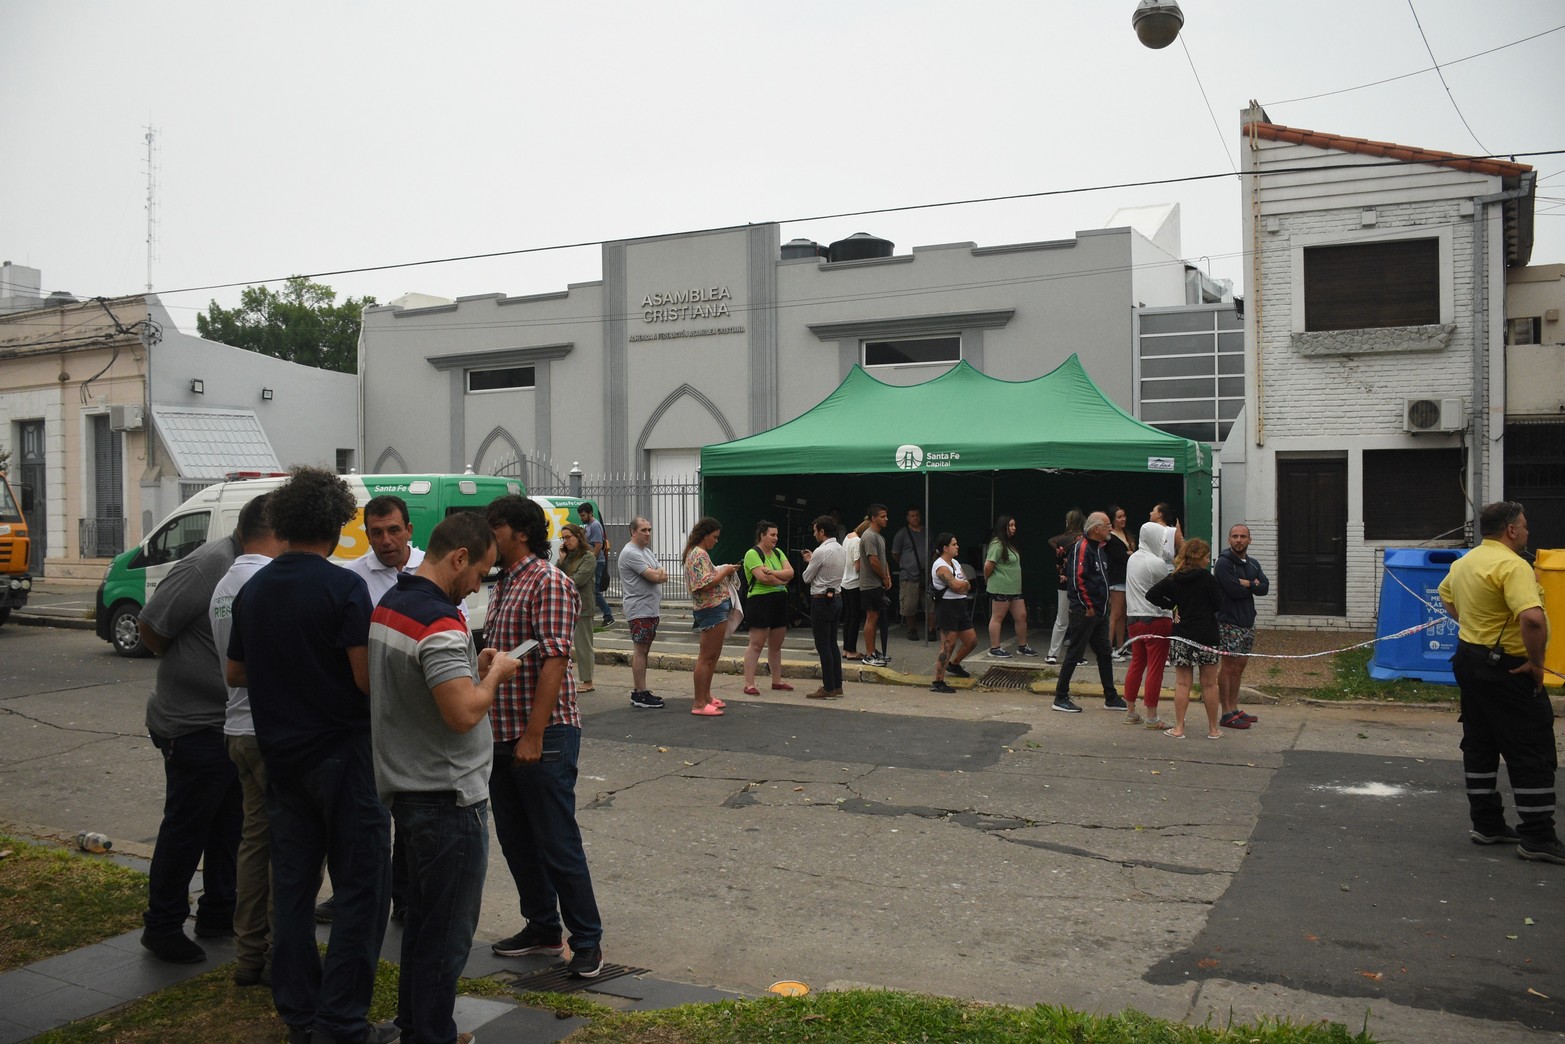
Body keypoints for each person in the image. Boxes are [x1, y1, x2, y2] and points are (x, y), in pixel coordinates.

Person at [225, 467, 394, 1044]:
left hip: (281, 755)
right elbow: (364, 681)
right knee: (361, 891)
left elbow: (235, 671)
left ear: (286, 522)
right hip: (344, 755)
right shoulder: (344, 587)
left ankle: (299, 1011)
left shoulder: (255, 588)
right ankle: (343, 1019)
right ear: (337, 523)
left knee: (292, 890)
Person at [369, 512, 519, 1044]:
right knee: (447, 936)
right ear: (459, 558)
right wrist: (495, 674)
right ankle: (429, 1033)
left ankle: (415, 1023)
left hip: (409, 790)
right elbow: (461, 714)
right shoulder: (439, 620)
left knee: (424, 927)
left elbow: (415, 690)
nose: (480, 582)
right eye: (481, 570)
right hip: (448, 797)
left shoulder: (391, 603)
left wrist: (469, 668)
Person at [484, 495, 607, 976]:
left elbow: (555, 660)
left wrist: (533, 736)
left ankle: (587, 941)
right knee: (517, 838)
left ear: (518, 532)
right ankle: (541, 926)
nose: (486, 537)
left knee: (556, 840)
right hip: (502, 731)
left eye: (493, 528)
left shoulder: (547, 582)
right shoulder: (505, 584)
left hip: (543, 734)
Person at [137, 495, 247, 965]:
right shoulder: (209, 564)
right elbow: (152, 626)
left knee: (229, 825)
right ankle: (162, 925)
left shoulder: (247, 564)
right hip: (192, 724)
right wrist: (195, 667)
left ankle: (218, 911)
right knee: (186, 827)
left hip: (228, 723)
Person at [1438, 500, 1564, 863]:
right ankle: (1538, 836)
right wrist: (1537, 665)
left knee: (1480, 740)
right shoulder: (1513, 566)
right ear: (1511, 530)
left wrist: (1477, 626)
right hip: (1508, 667)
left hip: (1470, 658)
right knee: (1531, 746)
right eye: (1523, 526)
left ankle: (1487, 823)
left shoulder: (1466, 562)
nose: (1526, 531)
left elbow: (1447, 597)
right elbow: (1533, 620)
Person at [209, 493, 285, 985]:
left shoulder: (225, 582)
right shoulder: (264, 582)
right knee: (288, 844)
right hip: (266, 728)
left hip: (237, 727)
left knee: (255, 843)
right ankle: (281, 951)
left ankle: (248, 953)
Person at [1147, 538, 1224, 741]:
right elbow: (1218, 605)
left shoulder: (1175, 578)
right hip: (1207, 635)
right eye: (1207, 556)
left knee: (1182, 683)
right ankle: (1213, 729)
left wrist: (1173, 605)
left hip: (1182, 635)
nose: (1208, 561)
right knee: (1209, 683)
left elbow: (1152, 594)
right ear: (1199, 557)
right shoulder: (1208, 579)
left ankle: (1179, 727)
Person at [1052, 512, 1124, 714]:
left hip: (1099, 612)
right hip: (1085, 611)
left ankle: (1111, 697)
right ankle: (1060, 696)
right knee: (1075, 653)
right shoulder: (1082, 548)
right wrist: (1088, 606)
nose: (1110, 529)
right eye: (1107, 525)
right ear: (1096, 529)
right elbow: (1077, 579)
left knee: (1105, 654)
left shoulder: (1100, 550)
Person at [1214, 523, 1270, 731]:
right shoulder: (1223, 563)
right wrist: (1251, 585)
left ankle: (1235, 707)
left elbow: (1264, 588)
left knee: (1240, 666)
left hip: (1247, 621)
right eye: (1235, 536)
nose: (1239, 540)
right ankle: (1226, 712)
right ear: (1229, 540)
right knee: (1228, 666)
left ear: (1249, 540)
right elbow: (1234, 591)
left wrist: (1249, 584)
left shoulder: (1253, 564)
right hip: (1229, 621)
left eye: (1243, 536)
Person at [683, 516, 738, 715]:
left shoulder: (698, 553)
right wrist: (724, 572)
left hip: (714, 607)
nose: (716, 541)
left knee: (712, 656)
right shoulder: (698, 554)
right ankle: (699, 702)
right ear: (705, 535)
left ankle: (705, 696)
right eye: (714, 537)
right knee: (707, 657)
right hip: (711, 608)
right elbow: (703, 583)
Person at [1123, 520, 1175, 730]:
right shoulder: (1157, 563)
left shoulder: (1133, 559)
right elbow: (1170, 588)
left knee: (1136, 664)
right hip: (1156, 618)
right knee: (1155, 668)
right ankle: (1151, 716)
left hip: (1133, 618)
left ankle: (1130, 711)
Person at [617, 516, 668, 709]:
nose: (647, 534)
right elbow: (655, 575)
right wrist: (658, 574)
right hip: (639, 609)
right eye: (643, 530)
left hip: (649, 609)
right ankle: (639, 693)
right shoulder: (631, 553)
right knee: (640, 650)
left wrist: (659, 573)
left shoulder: (645, 551)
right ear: (633, 532)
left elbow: (662, 572)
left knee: (644, 649)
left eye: (649, 530)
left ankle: (642, 690)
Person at [741, 520, 795, 694]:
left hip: (779, 599)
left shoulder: (778, 553)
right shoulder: (752, 554)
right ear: (762, 535)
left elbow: (791, 573)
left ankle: (776, 680)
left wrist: (773, 573)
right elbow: (762, 578)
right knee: (756, 643)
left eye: (777, 535)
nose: (776, 538)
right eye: (772, 535)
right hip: (760, 601)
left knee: (776, 644)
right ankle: (749, 683)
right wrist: (782, 579)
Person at [344, 494, 424, 606]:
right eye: (377, 533)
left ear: (409, 530)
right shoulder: (351, 576)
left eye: (394, 530)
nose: (386, 541)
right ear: (368, 536)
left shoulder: (434, 567)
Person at [800, 515, 846, 700]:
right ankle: (837, 685)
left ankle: (828, 687)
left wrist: (810, 561)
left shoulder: (821, 551)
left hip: (821, 599)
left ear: (822, 531)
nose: (814, 533)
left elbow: (806, 577)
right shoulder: (840, 549)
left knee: (823, 645)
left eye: (815, 530)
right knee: (832, 643)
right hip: (836, 596)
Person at [929, 533, 977, 693]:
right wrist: (961, 585)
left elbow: (967, 584)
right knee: (948, 644)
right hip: (947, 606)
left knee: (971, 641)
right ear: (945, 548)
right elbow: (956, 585)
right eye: (954, 544)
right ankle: (938, 681)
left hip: (960, 605)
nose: (957, 547)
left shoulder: (955, 563)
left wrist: (962, 585)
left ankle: (954, 664)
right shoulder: (940, 565)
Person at [983, 514, 1035, 658]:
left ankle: (1023, 646)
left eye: (1014, 525)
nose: (1014, 528)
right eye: (1010, 525)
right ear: (1003, 527)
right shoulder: (997, 544)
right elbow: (988, 564)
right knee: (998, 617)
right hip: (1001, 587)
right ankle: (994, 648)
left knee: (1021, 616)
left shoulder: (1009, 544)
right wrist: (987, 579)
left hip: (1014, 588)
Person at [558, 523, 598, 692]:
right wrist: (561, 559)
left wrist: (563, 579)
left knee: (583, 644)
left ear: (578, 537)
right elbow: (556, 575)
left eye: (569, 537)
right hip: (566, 606)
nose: (566, 541)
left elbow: (577, 580)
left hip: (582, 606)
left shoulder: (588, 557)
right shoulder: (567, 557)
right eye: (563, 538)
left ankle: (587, 681)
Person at [1045, 510, 1085, 666]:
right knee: (1079, 620)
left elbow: (1058, 562)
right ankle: (1078, 655)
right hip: (1081, 583)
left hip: (1064, 582)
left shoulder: (1062, 540)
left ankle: (1052, 654)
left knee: (1061, 619)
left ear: (1069, 522)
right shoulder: (1086, 540)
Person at [859, 504, 893, 667]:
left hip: (878, 582)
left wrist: (887, 577)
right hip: (870, 583)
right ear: (873, 518)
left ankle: (873, 650)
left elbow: (882, 560)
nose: (886, 519)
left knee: (877, 616)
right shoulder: (869, 536)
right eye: (882, 516)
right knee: (871, 617)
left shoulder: (880, 537)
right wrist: (884, 578)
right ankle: (869, 653)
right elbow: (873, 560)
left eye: (886, 516)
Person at [890, 505, 930, 642]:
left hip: (926, 574)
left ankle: (931, 630)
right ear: (908, 518)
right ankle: (911, 629)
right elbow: (895, 553)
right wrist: (906, 564)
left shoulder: (927, 532)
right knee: (909, 605)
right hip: (909, 575)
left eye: (917, 515)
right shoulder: (902, 534)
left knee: (930, 604)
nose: (915, 518)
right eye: (912, 516)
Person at [1105, 505, 1135, 660]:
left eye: (1124, 516)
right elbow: (1120, 557)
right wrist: (1129, 554)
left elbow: (1131, 554)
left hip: (1128, 578)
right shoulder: (1110, 537)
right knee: (1115, 614)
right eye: (1119, 517)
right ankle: (1108, 648)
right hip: (1117, 579)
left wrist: (1129, 554)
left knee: (1123, 615)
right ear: (1112, 519)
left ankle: (1121, 646)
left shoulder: (1127, 534)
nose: (1123, 519)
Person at [578, 501, 614, 626]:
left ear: (590, 513)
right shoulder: (588, 525)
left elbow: (598, 545)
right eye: (580, 516)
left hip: (596, 562)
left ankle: (608, 616)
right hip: (592, 561)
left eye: (583, 515)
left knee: (595, 590)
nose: (581, 518)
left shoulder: (595, 525)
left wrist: (591, 560)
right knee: (590, 589)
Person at [839, 519, 865, 661]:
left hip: (844, 580)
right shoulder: (857, 541)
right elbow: (858, 565)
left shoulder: (848, 537)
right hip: (854, 581)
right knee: (855, 617)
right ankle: (852, 650)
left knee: (848, 616)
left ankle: (845, 649)